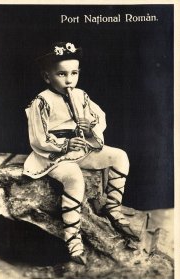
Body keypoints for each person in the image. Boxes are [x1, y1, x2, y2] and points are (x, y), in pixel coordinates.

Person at [23, 41, 134, 265]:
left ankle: (111, 205)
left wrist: (89, 126)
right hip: (51, 155)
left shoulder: (81, 95)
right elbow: (38, 137)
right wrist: (64, 145)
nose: (69, 79)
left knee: (119, 156)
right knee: (73, 176)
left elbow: (99, 117)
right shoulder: (41, 101)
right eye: (61, 74)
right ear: (47, 77)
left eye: (74, 73)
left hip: (80, 148)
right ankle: (73, 241)